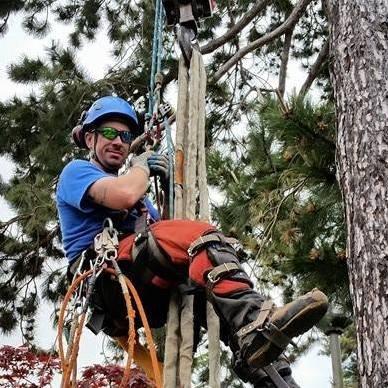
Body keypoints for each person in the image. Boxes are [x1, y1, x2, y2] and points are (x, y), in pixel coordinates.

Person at [56, 95, 328, 386]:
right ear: (89, 138)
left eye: (125, 136)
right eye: (109, 133)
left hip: (141, 283)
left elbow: (168, 236)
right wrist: (142, 167)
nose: (119, 141)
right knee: (201, 237)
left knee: (209, 278)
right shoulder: (78, 172)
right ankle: (253, 323)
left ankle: (269, 371)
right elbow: (124, 195)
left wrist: (169, 186)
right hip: (109, 282)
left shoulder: (140, 199)